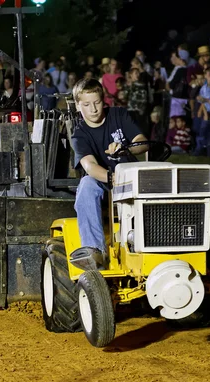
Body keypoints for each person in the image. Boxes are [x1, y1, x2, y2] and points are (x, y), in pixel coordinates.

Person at [69, 78, 148, 267]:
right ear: (78, 106)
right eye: (87, 105)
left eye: (97, 103)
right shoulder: (80, 134)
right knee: (87, 184)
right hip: (106, 182)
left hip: (132, 177)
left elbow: (142, 142)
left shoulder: (118, 115)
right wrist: (113, 178)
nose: (94, 109)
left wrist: (127, 148)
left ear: (103, 101)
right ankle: (94, 251)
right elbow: (89, 166)